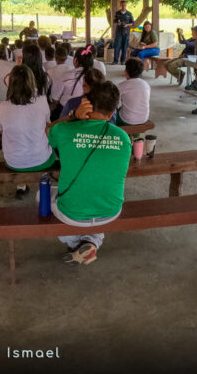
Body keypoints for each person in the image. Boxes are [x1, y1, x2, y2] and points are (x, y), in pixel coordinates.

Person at [46, 81, 131, 265]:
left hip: (72, 213)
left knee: (41, 196)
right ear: (111, 113)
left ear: (86, 103)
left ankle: (74, 241)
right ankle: (92, 241)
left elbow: (47, 131)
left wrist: (72, 116)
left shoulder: (65, 130)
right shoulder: (123, 138)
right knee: (96, 193)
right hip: (111, 211)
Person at [0, 65, 56, 200]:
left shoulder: (2, 106)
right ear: (32, 82)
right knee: (47, 147)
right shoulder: (41, 100)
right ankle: (43, 186)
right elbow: (47, 125)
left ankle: (21, 186)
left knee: (16, 143)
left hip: (14, 161)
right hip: (41, 159)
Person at [117, 58, 150, 125]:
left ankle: (122, 132)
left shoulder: (121, 86)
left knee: (113, 113)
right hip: (144, 118)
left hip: (127, 120)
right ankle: (135, 134)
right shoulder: (146, 84)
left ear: (126, 72)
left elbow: (116, 104)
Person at [112, 0, 134, 65]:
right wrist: (118, 23)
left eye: (124, 5)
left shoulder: (129, 14)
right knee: (117, 46)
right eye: (122, 5)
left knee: (125, 46)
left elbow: (132, 23)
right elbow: (114, 21)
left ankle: (123, 61)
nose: (123, 6)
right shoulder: (117, 13)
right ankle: (115, 61)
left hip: (126, 32)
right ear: (120, 5)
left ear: (126, 5)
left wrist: (127, 25)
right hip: (118, 32)